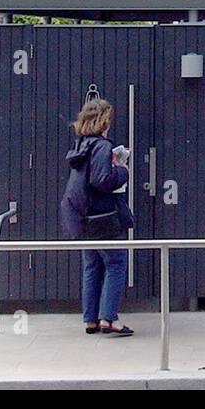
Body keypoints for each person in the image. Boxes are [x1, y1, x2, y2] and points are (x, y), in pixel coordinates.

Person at [59, 97, 135, 337]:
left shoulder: (81, 145)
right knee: (116, 263)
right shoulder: (101, 146)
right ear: (104, 122)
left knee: (92, 265)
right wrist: (122, 171)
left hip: (82, 217)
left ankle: (90, 319)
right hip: (103, 216)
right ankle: (108, 319)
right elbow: (102, 180)